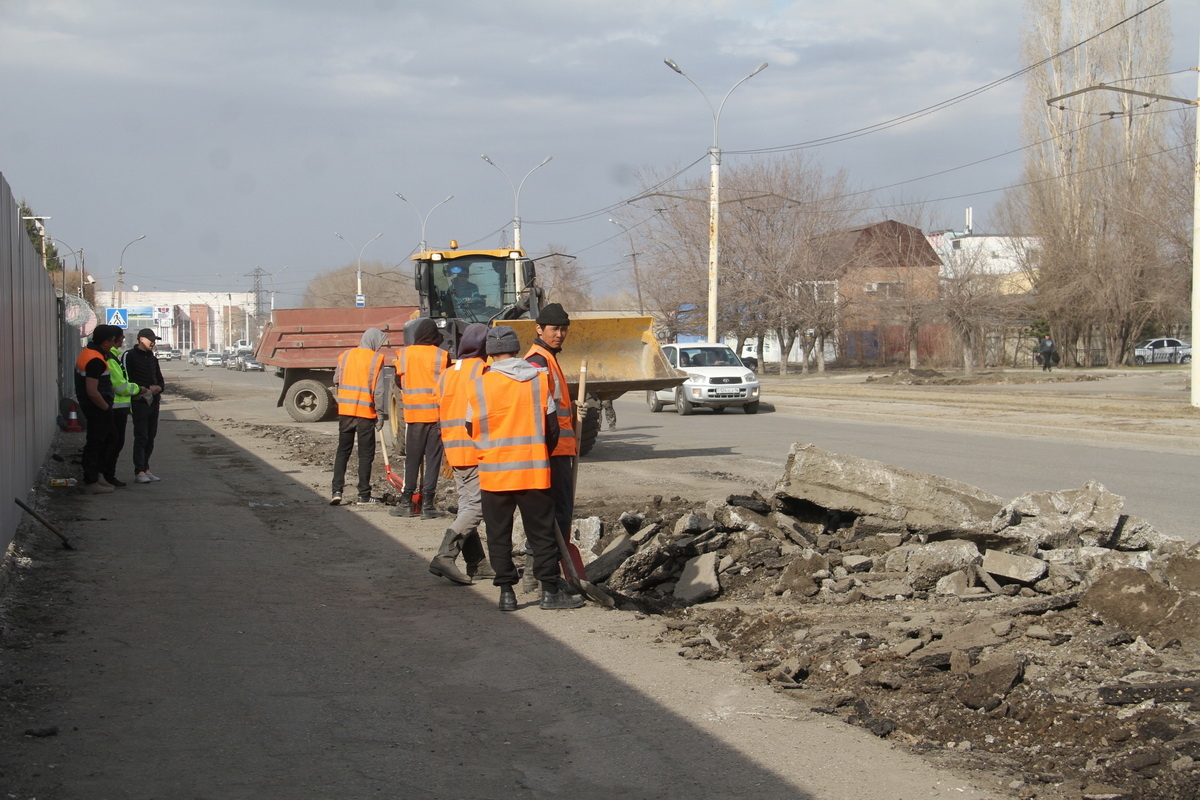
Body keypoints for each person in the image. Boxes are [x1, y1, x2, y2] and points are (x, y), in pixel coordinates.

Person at [465, 326, 581, 611]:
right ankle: (549, 592)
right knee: (541, 534)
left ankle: (507, 593)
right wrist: (539, 451)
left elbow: (471, 427)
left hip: (494, 475)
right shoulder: (539, 380)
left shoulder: (479, 384)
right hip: (533, 472)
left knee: (498, 535)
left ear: (490, 354)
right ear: (517, 350)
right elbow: (552, 429)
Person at [427, 323, 491, 585]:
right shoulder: (484, 371)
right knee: (477, 507)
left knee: (467, 505)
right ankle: (445, 556)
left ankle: (477, 563)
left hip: (453, 449)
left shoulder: (447, 374)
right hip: (475, 448)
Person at [523, 303, 578, 545]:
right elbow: (538, 409)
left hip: (558, 448)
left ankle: (543, 570)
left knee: (556, 512)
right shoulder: (538, 361)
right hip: (551, 450)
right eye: (554, 329)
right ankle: (545, 572)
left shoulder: (548, 358)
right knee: (556, 513)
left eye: (564, 329)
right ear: (539, 329)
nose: (559, 334)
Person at [390, 318, 451, 519]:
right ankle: (428, 506)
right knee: (433, 461)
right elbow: (448, 384)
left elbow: (399, 382)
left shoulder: (404, 355)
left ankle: (406, 502)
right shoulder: (442, 356)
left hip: (413, 417)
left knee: (412, 460)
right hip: (436, 417)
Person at [330, 327, 390, 505]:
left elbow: (335, 380)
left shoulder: (345, 356)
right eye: (379, 343)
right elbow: (379, 392)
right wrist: (380, 415)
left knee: (343, 452)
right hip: (365, 414)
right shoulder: (376, 359)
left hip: (346, 412)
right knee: (365, 455)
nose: (379, 348)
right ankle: (363, 494)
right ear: (374, 342)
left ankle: (337, 491)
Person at [74, 325, 122, 495]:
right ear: (107, 341)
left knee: (108, 439)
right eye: (114, 340)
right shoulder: (95, 360)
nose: (116, 343)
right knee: (97, 443)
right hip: (97, 408)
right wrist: (105, 407)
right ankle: (91, 481)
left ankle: (97, 476)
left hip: (95, 407)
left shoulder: (91, 353)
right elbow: (92, 391)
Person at [101, 330, 149, 489]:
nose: (123, 340)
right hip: (115, 407)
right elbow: (120, 386)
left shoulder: (113, 356)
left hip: (119, 407)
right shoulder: (111, 358)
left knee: (115, 443)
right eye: (121, 337)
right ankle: (107, 475)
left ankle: (107, 475)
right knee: (113, 443)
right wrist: (138, 389)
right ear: (114, 339)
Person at [122, 328, 165, 483]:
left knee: (150, 437)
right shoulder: (129, 356)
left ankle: (146, 468)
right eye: (150, 339)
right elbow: (125, 378)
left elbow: (160, 379)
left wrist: (158, 388)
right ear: (141, 339)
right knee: (141, 436)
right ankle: (139, 471)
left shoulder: (152, 358)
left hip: (153, 401)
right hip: (138, 401)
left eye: (154, 340)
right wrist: (144, 389)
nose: (153, 342)